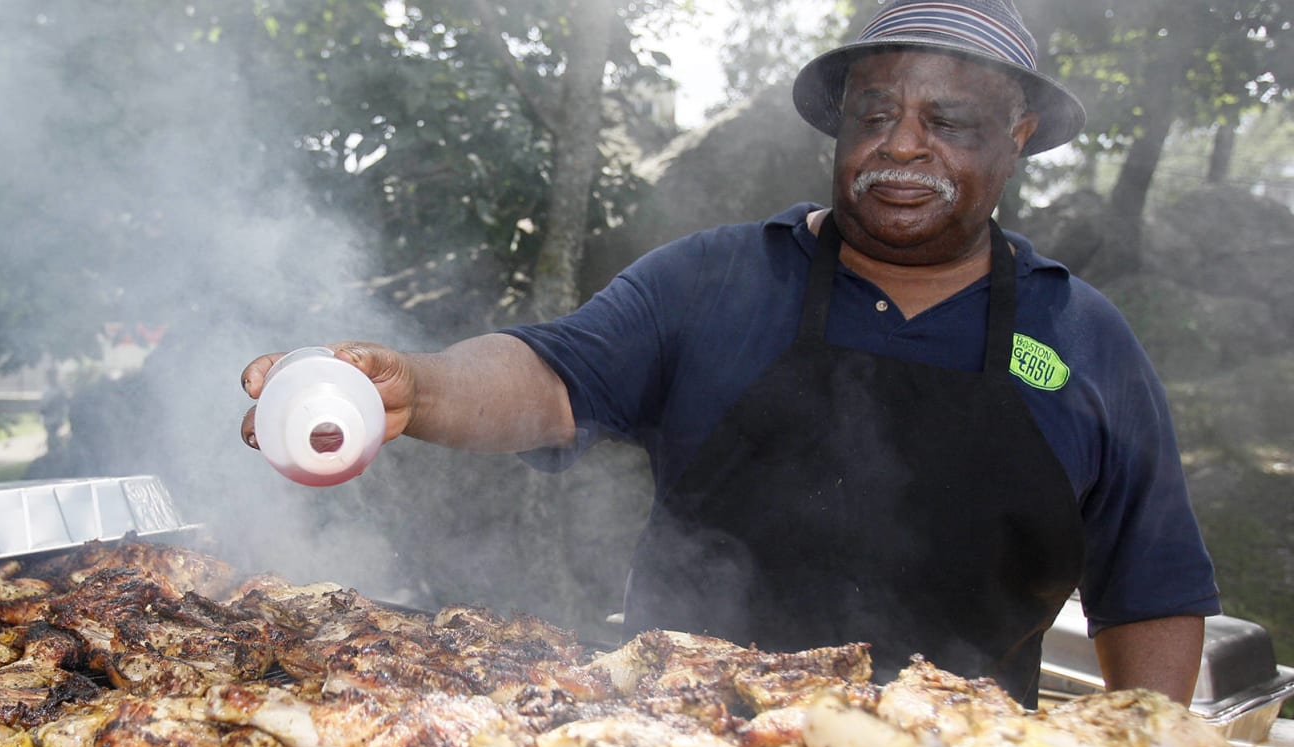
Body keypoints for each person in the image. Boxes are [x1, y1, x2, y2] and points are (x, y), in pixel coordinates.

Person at [239, 0, 1218, 707]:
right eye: (873, 115)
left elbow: (1151, 588)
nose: (901, 145)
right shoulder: (714, 280)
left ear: (1019, 135)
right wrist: (424, 383)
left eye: (947, 122)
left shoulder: (1083, 338)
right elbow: (552, 376)